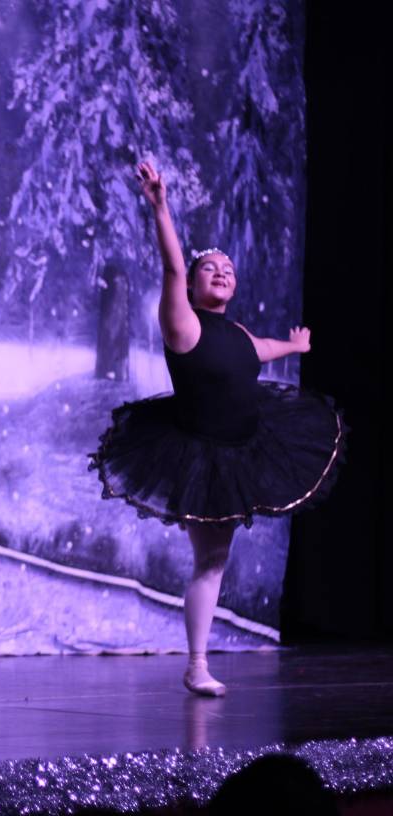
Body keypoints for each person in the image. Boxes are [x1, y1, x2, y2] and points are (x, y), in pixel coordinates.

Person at [90, 161, 344, 696]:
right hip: (197, 454)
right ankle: (197, 663)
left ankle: (197, 663)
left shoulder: (237, 331)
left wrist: (294, 347)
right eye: (211, 268)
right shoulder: (181, 321)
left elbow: (260, 350)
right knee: (208, 558)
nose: (221, 272)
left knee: (216, 559)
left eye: (228, 269)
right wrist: (160, 205)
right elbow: (172, 268)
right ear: (196, 283)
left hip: (243, 446)